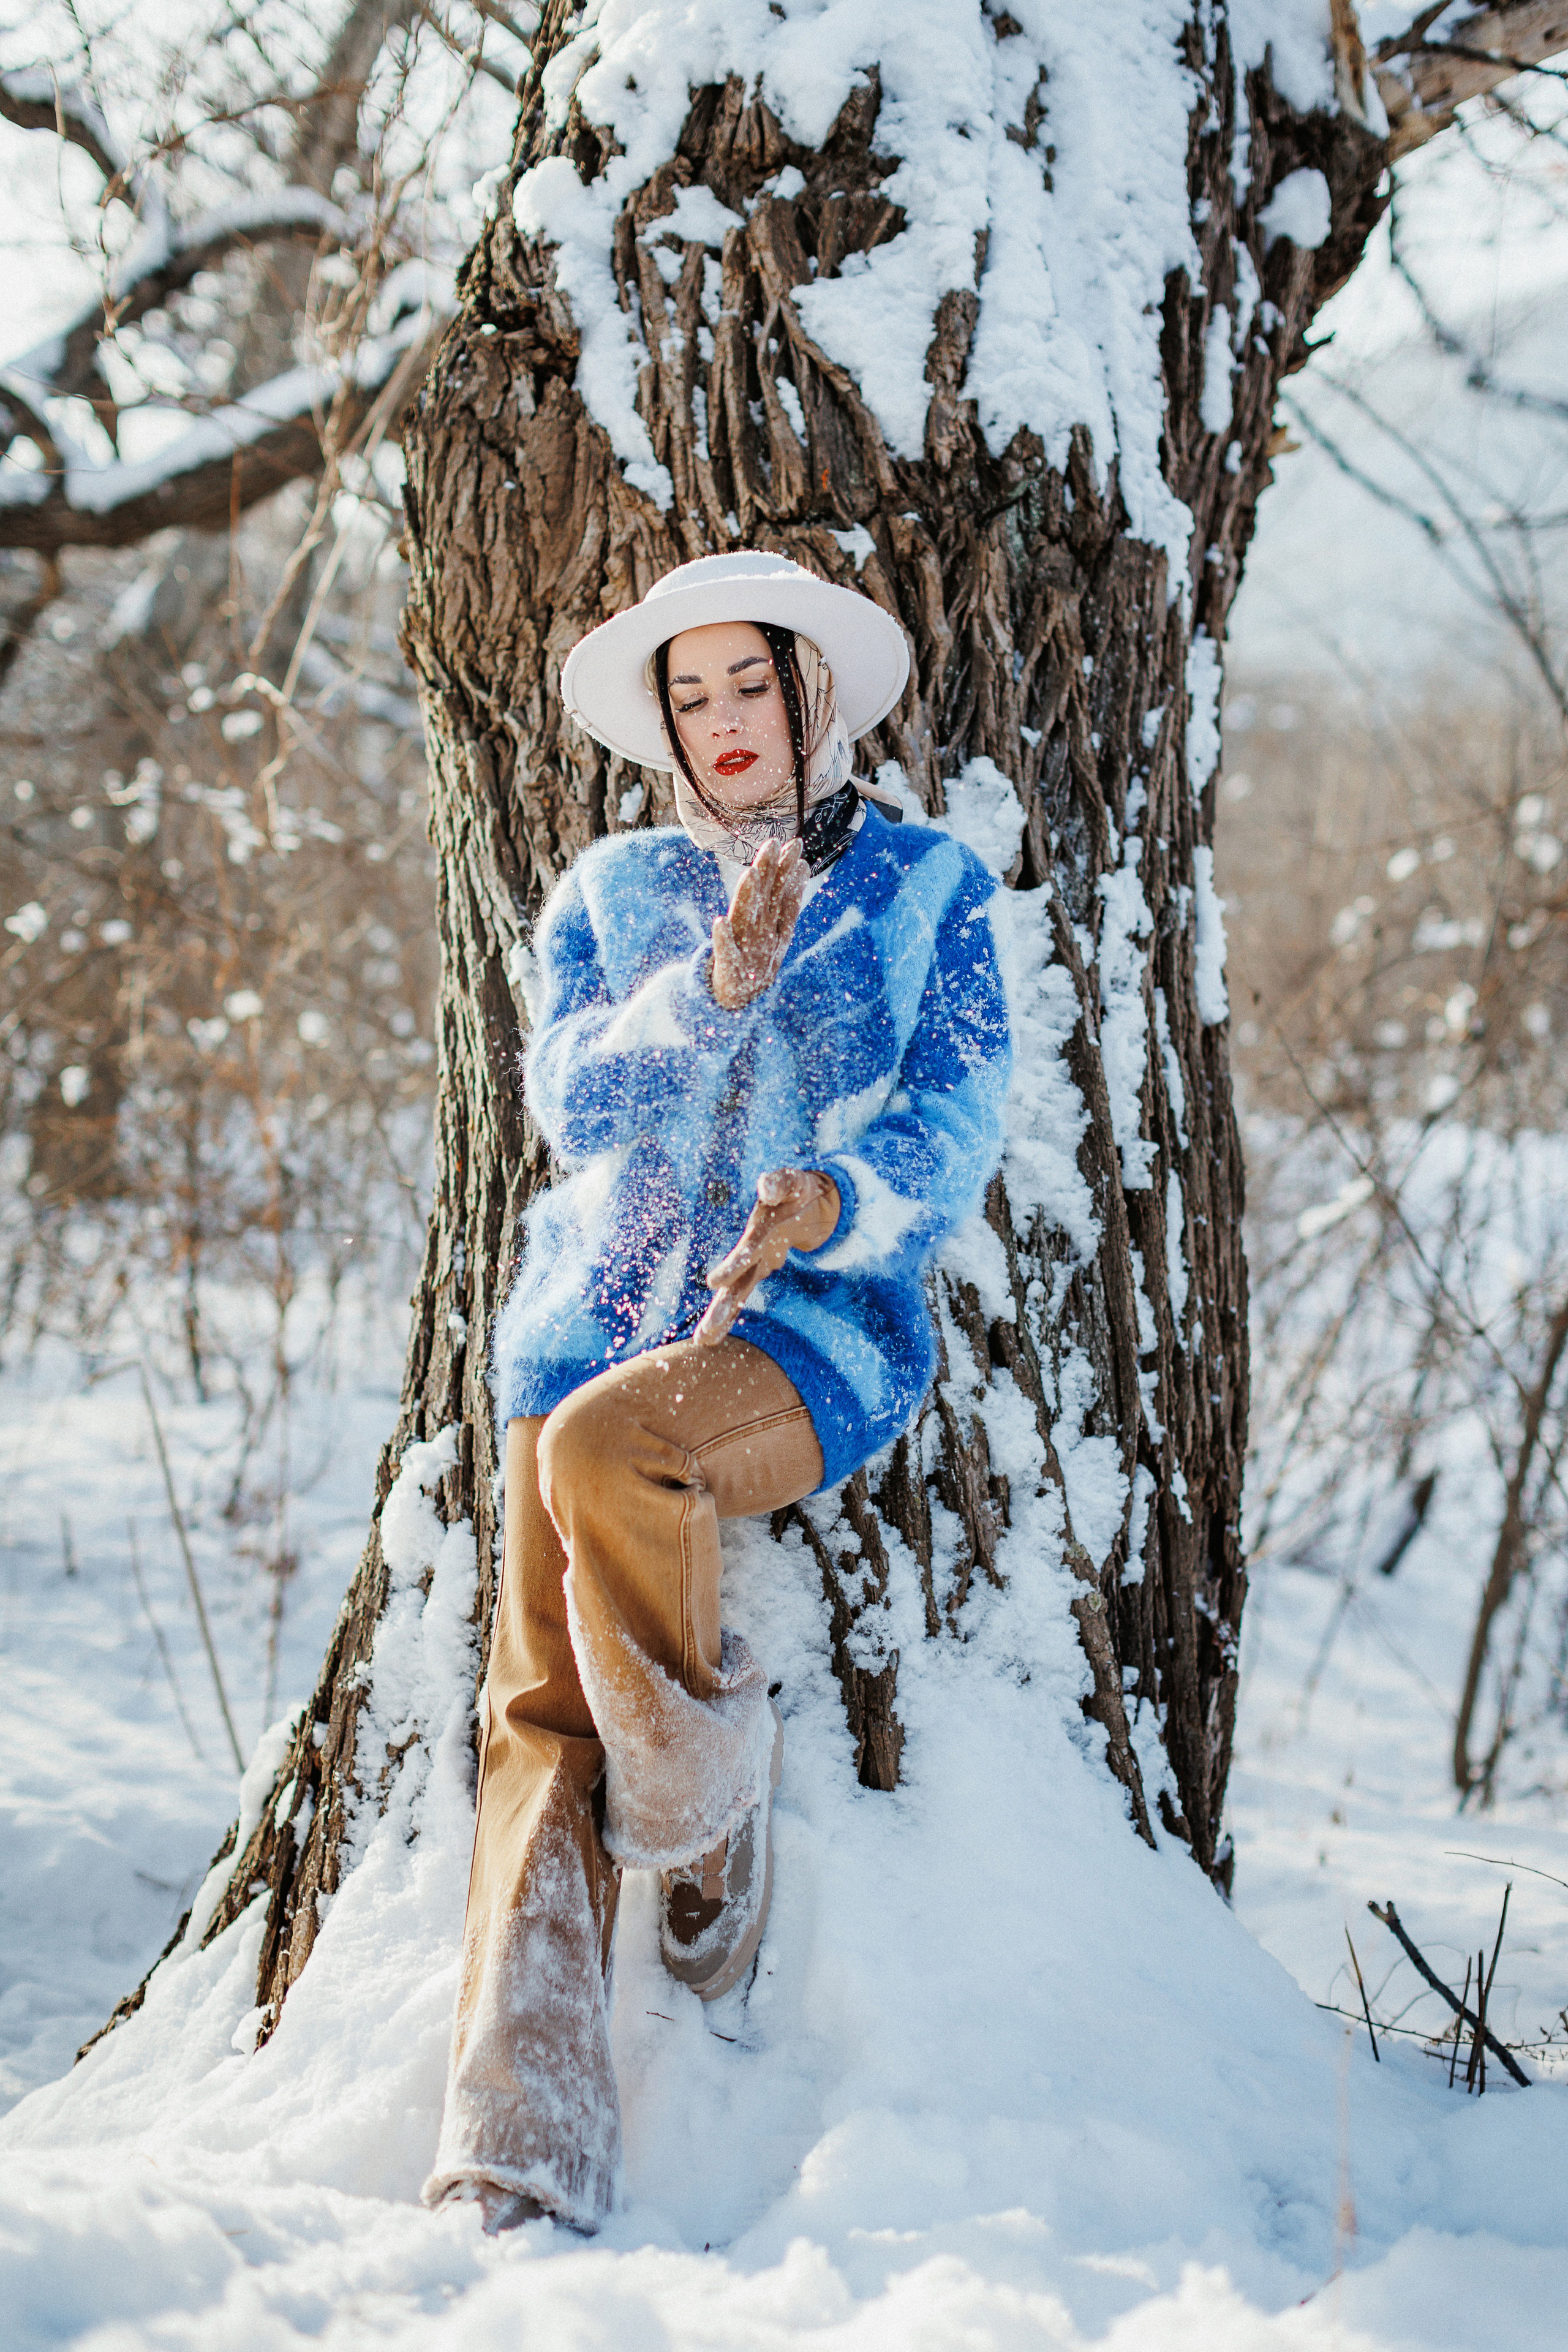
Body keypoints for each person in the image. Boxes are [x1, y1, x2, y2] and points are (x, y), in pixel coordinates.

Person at [422, 549, 1011, 2233]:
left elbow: (958, 1116)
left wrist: (827, 1198)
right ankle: (517, 2148)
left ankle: (693, 1819)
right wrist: (711, 995)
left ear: (813, 692)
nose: (725, 720)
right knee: (537, 1725)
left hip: (807, 1336)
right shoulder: (610, 890)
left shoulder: (926, 887)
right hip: (588, 1324)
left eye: (752, 683)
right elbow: (570, 1101)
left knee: (618, 1452)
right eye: (690, 698)